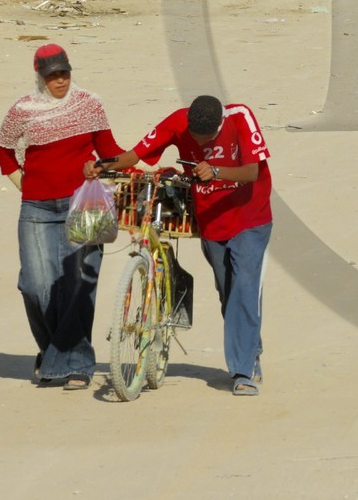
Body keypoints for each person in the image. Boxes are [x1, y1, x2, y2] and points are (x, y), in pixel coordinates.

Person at [93, 95, 273, 396]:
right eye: (194, 136)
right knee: (228, 292)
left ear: (220, 124)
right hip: (212, 221)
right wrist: (101, 165)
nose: (199, 142)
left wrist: (216, 171)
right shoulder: (178, 121)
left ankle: (243, 371)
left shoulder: (240, 117)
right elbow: (135, 155)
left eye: (207, 138)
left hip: (251, 217)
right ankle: (251, 346)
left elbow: (252, 171)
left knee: (244, 286)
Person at [0, 45, 124, 390]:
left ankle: (76, 363)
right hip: (36, 208)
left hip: (83, 204)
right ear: (40, 76)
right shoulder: (23, 109)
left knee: (77, 285)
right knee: (34, 286)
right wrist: (22, 183)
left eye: (64, 73)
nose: (60, 80)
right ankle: (53, 352)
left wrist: (141, 164)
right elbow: (3, 150)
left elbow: (109, 150)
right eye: (52, 76)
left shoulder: (90, 104)